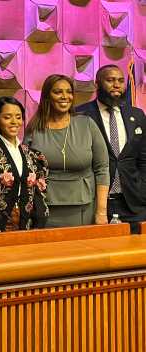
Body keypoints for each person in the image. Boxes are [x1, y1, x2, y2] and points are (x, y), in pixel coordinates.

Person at [25, 74, 109, 227]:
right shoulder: (34, 128)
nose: (65, 96)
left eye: (69, 92)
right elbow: (26, 172)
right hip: (43, 208)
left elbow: (102, 169)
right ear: (47, 96)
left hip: (84, 208)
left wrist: (102, 212)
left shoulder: (87, 124)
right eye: (58, 92)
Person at [75, 65, 146, 233]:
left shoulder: (137, 115)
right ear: (97, 84)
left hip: (133, 201)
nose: (117, 85)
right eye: (110, 80)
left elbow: (143, 157)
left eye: (121, 81)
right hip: (95, 200)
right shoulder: (80, 115)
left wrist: (143, 189)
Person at [0, 97, 49, 232]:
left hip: (27, 224)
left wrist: (39, 222)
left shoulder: (32, 154)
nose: (14, 122)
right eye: (7, 117)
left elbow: (39, 193)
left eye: (18, 117)